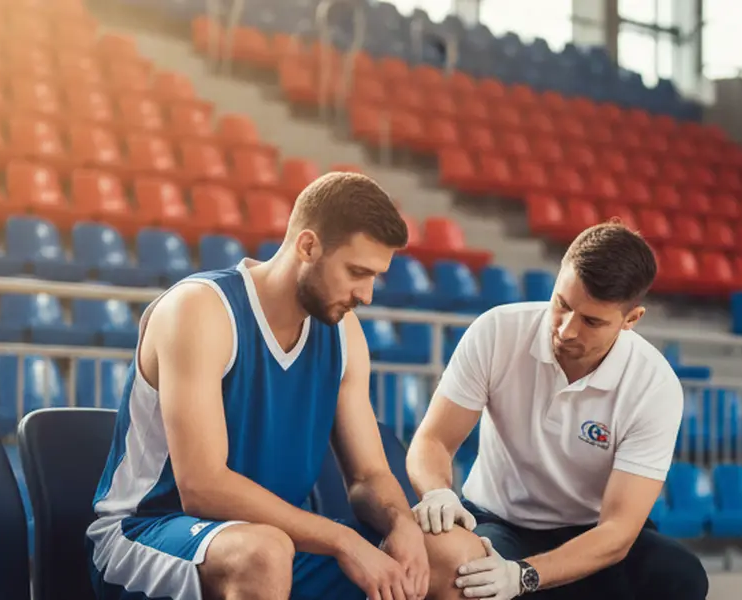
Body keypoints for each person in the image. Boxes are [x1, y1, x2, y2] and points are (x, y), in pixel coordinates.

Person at [85, 172, 485, 600]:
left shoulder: (344, 332)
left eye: (375, 277)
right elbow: (203, 487)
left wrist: (401, 523)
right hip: (149, 533)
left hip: (280, 540)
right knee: (264, 552)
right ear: (307, 245)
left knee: (456, 556)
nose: (367, 295)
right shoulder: (199, 310)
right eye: (356, 272)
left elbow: (368, 475)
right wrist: (342, 539)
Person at [404, 222, 709, 600]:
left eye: (592, 321)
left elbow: (617, 531)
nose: (566, 330)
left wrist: (523, 577)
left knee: (681, 575)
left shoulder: (653, 385)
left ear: (631, 320)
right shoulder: (497, 331)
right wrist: (438, 492)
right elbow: (433, 440)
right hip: (499, 521)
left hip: (591, 534)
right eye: (562, 304)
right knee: (459, 568)